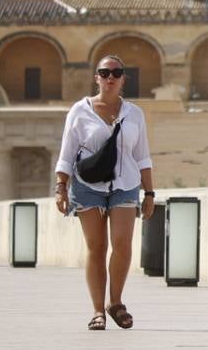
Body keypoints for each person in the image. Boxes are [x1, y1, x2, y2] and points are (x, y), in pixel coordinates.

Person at [53, 55, 156, 330]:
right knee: (96, 248)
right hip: (88, 186)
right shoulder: (79, 110)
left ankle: (116, 302)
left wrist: (149, 193)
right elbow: (66, 152)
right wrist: (61, 187)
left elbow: (142, 155)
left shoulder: (135, 113)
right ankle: (97, 310)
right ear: (96, 77)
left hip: (126, 184)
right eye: (104, 72)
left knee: (122, 244)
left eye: (116, 72)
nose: (110, 77)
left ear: (123, 79)